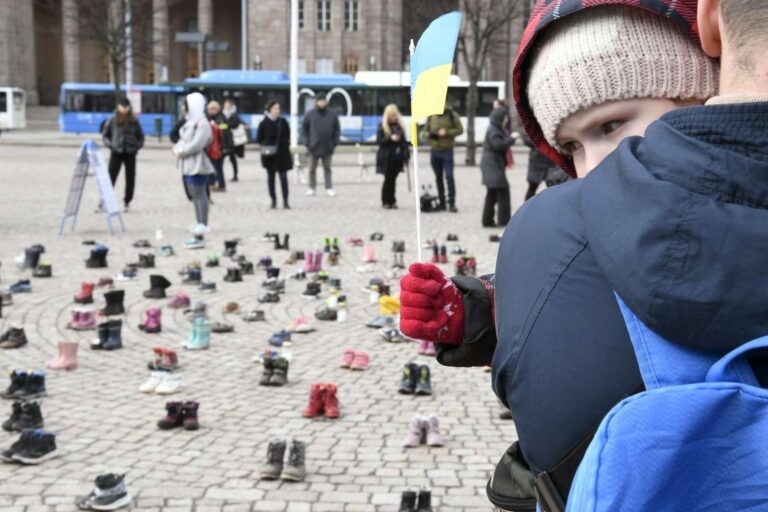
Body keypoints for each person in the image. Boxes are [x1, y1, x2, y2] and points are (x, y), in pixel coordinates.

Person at [399, 0, 722, 503]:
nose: (589, 167)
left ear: (698, 91)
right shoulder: (597, 215)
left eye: (611, 125)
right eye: (571, 146)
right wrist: (476, 310)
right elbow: (575, 304)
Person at [173, 92, 214, 233]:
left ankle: (203, 222)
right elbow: (183, 139)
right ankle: (198, 221)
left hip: (198, 164)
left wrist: (181, 151)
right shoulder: (190, 122)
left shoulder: (202, 124)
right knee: (193, 194)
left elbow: (197, 144)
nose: (184, 108)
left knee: (200, 193)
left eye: (186, 106)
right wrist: (177, 148)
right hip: (188, 164)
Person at [101, 97, 144, 212]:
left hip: (130, 152)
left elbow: (141, 136)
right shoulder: (112, 120)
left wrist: (136, 147)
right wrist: (111, 145)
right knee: (110, 177)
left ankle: (127, 201)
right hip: (116, 152)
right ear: (118, 107)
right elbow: (105, 135)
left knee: (130, 178)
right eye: (122, 106)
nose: (124, 109)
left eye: (126, 107)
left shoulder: (134, 121)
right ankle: (105, 200)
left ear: (129, 107)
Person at [420, 104, 463, 212]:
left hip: (447, 150)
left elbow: (460, 130)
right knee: (438, 177)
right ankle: (442, 202)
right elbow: (424, 132)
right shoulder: (431, 116)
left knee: (449, 177)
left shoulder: (452, 115)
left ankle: (452, 202)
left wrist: (447, 133)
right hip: (435, 150)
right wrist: (430, 135)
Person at [480, 107, 515, 227]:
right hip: (492, 166)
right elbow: (498, 145)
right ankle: (503, 220)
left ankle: (487, 220)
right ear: (500, 118)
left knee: (492, 193)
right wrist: (512, 139)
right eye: (505, 118)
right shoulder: (493, 130)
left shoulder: (495, 128)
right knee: (503, 191)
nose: (506, 120)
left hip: (492, 165)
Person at [301, 93, 340, 197]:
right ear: (316, 102)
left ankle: (329, 187)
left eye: (323, 100)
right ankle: (311, 187)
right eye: (320, 101)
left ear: (326, 102)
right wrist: (307, 143)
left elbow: (337, 130)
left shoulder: (332, 114)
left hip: (327, 147)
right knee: (311, 169)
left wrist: (334, 143)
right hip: (313, 147)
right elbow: (304, 130)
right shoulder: (310, 114)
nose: (322, 103)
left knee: (327, 169)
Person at [256, 100, 292, 209]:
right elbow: (259, 138)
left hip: (282, 155)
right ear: (269, 109)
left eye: (278, 108)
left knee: (283, 178)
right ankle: (273, 200)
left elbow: (287, 136)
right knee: (271, 178)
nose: (277, 110)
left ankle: (285, 201)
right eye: (275, 108)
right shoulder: (263, 123)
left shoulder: (283, 122)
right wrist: (268, 145)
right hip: (269, 156)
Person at [375, 104, 410, 209]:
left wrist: (403, 147)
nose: (393, 118)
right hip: (386, 157)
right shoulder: (382, 126)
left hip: (397, 157)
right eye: (391, 115)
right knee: (388, 179)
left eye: (394, 115)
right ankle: (386, 200)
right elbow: (379, 141)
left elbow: (404, 142)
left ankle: (392, 200)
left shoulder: (399, 127)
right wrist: (390, 138)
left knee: (393, 179)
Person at [522, 133, 569, 200]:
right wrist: (540, 140)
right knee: (532, 187)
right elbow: (526, 140)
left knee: (553, 187)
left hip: (551, 162)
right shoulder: (533, 126)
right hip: (537, 162)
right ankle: (526, 207)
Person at [222, 98, 245, 182]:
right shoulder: (223, 114)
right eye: (225, 104)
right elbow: (221, 125)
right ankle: (219, 175)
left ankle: (235, 175)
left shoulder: (234, 115)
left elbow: (234, 125)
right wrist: (225, 126)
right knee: (221, 158)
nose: (226, 106)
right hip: (225, 140)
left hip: (233, 141)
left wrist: (225, 126)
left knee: (232, 158)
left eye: (227, 105)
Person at [206, 101, 226, 192]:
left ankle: (221, 184)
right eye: (210, 109)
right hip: (209, 147)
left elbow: (225, 130)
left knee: (218, 167)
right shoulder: (206, 118)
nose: (212, 111)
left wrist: (217, 126)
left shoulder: (221, 118)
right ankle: (211, 183)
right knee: (210, 166)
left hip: (219, 147)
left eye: (214, 109)